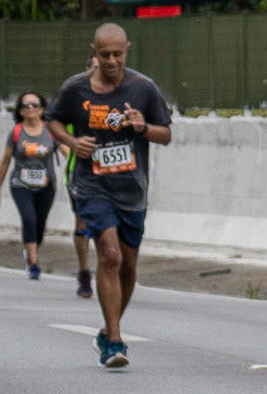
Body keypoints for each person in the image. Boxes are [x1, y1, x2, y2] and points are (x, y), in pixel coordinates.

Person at [46, 23, 172, 368]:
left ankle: (107, 328)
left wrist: (142, 126)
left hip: (132, 189)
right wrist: (73, 143)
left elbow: (166, 135)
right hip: (91, 185)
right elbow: (51, 119)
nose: (111, 61)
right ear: (94, 51)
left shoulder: (143, 88)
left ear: (127, 49)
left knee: (129, 264)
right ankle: (115, 342)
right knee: (110, 254)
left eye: (118, 54)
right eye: (104, 55)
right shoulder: (75, 89)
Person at [0, 92, 60, 280]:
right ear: (20, 110)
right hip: (20, 184)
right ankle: (33, 264)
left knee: (40, 224)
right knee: (29, 219)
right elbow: (6, 161)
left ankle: (31, 249)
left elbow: (66, 149)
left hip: (46, 185)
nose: (30, 108)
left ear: (42, 109)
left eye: (34, 104)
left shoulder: (50, 130)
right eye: (25, 105)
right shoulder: (17, 132)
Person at [66, 46, 98, 299]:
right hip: (81, 172)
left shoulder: (122, 95)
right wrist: (71, 145)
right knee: (83, 223)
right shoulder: (75, 96)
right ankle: (84, 270)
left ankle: (114, 267)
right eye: (95, 68)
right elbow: (57, 128)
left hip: (116, 174)